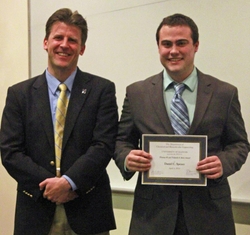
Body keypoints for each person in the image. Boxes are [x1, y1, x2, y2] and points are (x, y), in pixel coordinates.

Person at [114, 13, 249, 235]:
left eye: (181, 43)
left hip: (209, 214)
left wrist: (223, 163)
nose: (173, 51)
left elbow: (239, 144)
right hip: (152, 214)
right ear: (158, 47)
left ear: (195, 46)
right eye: (166, 44)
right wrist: (128, 159)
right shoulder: (137, 92)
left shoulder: (224, 93)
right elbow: (121, 141)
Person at [0, 8, 118, 235]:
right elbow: (10, 152)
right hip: (35, 210)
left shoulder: (101, 90)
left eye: (72, 40)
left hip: (88, 209)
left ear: (81, 48)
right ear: (46, 42)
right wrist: (51, 187)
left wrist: (69, 182)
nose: (64, 45)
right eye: (58, 38)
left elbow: (103, 145)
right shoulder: (19, 94)